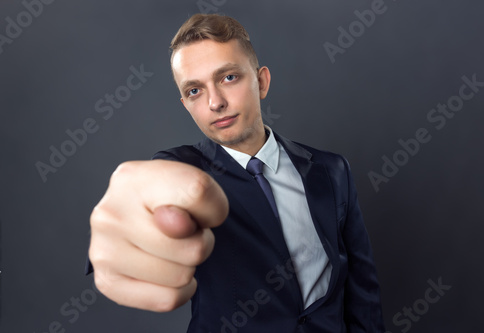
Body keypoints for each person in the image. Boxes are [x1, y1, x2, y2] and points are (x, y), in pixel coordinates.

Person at [87, 13, 386, 332]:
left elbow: (362, 287)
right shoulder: (182, 171)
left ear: (262, 82)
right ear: (186, 104)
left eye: (228, 77)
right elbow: (142, 197)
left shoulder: (331, 169)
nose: (215, 102)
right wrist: (123, 233)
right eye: (194, 91)